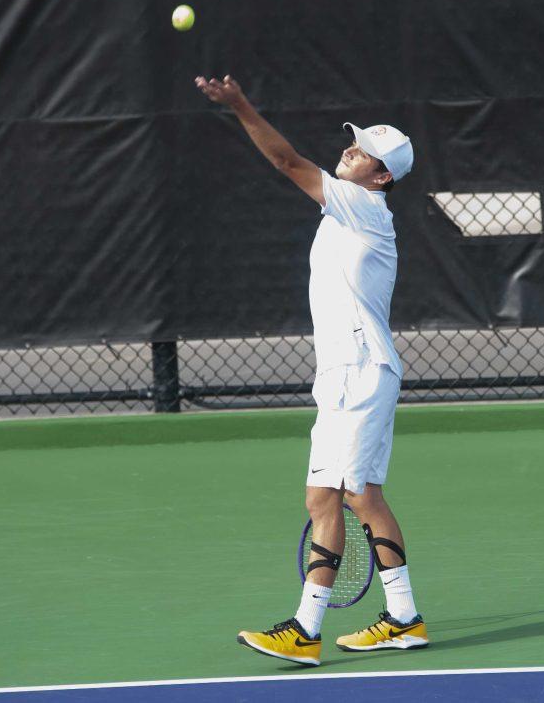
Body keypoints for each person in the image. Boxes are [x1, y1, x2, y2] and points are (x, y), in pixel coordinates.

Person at [195, 75, 428, 666]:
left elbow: (284, 160)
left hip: (361, 371)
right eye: (353, 142)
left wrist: (240, 105)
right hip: (344, 375)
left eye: (364, 152)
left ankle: (378, 620)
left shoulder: (363, 207)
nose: (349, 150)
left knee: (354, 498)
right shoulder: (345, 212)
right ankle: (346, 623)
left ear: (382, 177)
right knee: (330, 498)